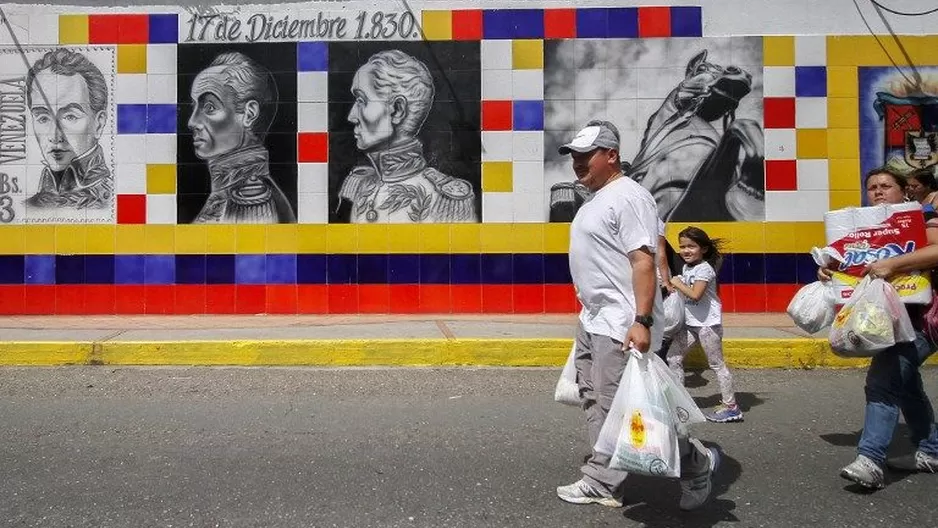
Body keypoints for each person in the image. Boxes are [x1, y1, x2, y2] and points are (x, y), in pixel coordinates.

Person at [555, 119, 719, 511]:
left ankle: (695, 464)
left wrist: (642, 320)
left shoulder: (629, 196)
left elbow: (642, 261)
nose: (578, 163)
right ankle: (606, 480)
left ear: (611, 155)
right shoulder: (599, 197)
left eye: (586, 156)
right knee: (595, 398)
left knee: (628, 406)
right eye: (574, 156)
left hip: (622, 320)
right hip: (595, 317)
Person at [818, 166, 938, 489]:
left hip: (923, 317)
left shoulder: (922, 217)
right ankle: (931, 449)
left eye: (886, 185)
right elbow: (855, 269)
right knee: (906, 380)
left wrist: (894, 263)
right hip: (885, 318)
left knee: (884, 377)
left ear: (904, 191)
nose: (878, 191)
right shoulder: (864, 229)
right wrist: (831, 271)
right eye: (872, 187)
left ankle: (870, 460)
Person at [338, 50, 476, 223]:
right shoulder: (357, 185)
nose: (351, 116)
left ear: (397, 110)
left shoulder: (447, 201)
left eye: (361, 101)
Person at [187, 52, 295, 224]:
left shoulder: (251, 200)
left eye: (209, 107)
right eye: (195, 106)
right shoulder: (228, 192)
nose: (192, 121)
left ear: (249, 114)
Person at [665, 227, 743, 423]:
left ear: (704, 249)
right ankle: (679, 402)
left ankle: (731, 406)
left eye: (691, 246)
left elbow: (695, 294)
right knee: (673, 358)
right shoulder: (687, 268)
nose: (686, 251)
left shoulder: (705, 269)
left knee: (716, 364)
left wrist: (676, 282)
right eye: (682, 246)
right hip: (690, 323)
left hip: (708, 324)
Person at [25, 48, 112, 209]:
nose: (55, 136)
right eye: (43, 118)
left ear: (98, 124)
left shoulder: (112, 202)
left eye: (70, 117)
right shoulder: (29, 206)